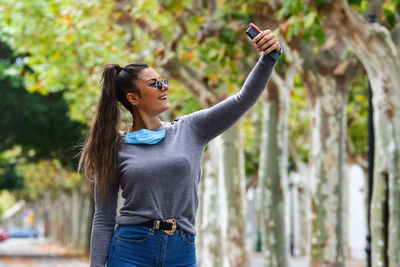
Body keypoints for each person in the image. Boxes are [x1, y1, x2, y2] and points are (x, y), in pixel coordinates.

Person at [78, 23, 281, 267]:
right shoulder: (113, 147)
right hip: (131, 250)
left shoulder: (191, 129)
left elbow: (242, 100)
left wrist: (268, 58)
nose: (165, 87)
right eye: (154, 84)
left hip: (181, 249)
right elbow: (103, 218)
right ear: (133, 98)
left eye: (162, 80)